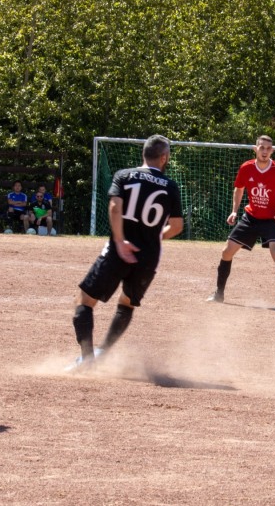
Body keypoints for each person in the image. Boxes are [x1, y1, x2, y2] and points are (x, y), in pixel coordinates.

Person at [67, 135, 183, 371]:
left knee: (84, 301)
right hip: (148, 257)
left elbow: (114, 207)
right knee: (127, 304)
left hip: (119, 252)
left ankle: (88, 358)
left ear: (144, 154)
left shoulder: (124, 175)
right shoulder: (171, 186)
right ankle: (103, 352)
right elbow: (178, 226)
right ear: (164, 158)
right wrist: (154, 236)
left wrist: (120, 241)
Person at [206, 135, 275, 310]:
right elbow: (239, 189)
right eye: (261, 147)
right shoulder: (246, 168)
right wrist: (234, 210)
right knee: (227, 252)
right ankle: (219, 294)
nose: (265, 151)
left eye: (268, 148)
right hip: (251, 217)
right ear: (255, 149)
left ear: (272, 151)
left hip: (272, 218)